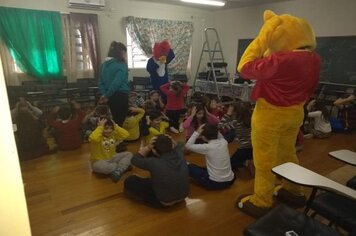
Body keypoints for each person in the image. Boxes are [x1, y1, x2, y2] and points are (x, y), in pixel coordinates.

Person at [235, 10, 321, 218]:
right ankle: (293, 191)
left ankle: (262, 200)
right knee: (287, 153)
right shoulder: (314, 59)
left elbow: (244, 67)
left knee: (264, 159)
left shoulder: (281, 61)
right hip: (295, 113)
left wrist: (262, 38)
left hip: (271, 115)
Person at [124, 135, 189, 208]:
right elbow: (177, 147)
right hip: (183, 196)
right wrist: (170, 140)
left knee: (130, 180)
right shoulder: (180, 154)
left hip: (165, 201)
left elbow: (134, 160)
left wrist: (148, 147)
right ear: (172, 146)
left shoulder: (154, 162)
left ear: (154, 150)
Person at [185, 124, 235, 190]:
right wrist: (214, 128)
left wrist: (197, 132)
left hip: (216, 183)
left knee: (189, 167)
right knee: (203, 168)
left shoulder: (207, 147)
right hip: (231, 179)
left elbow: (188, 146)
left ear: (203, 137)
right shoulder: (224, 142)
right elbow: (219, 135)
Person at [89, 118, 133, 182]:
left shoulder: (113, 134)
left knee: (129, 154)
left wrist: (116, 126)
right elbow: (94, 138)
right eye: (106, 128)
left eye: (111, 128)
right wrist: (100, 127)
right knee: (101, 167)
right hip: (99, 161)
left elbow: (126, 134)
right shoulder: (97, 136)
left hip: (112, 158)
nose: (109, 130)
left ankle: (119, 170)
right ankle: (122, 168)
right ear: (99, 128)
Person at [98, 41, 130, 126]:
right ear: (122, 52)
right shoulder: (121, 65)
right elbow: (117, 83)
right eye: (124, 53)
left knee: (112, 121)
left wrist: (105, 94)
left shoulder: (103, 65)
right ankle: (118, 139)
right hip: (120, 96)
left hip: (108, 97)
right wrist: (107, 95)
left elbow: (100, 82)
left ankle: (112, 138)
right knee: (119, 122)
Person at [229, 101, 254, 175]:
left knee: (229, 163)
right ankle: (250, 160)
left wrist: (228, 114)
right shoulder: (253, 119)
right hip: (254, 147)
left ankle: (245, 163)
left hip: (243, 149)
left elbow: (221, 125)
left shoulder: (236, 122)